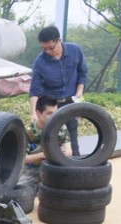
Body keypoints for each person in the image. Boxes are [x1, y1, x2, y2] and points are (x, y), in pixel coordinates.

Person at [29, 25, 88, 156]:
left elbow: (82, 73)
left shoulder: (75, 50)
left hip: (70, 101)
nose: (47, 51)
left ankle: (76, 165)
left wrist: (79, 94)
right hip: (51, 105)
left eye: (50, 47)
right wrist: (33, 112)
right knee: (52, 138)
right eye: (43, 49)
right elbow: (34, 89)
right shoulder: (39, 62)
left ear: (59, 40)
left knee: (72, 137)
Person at [19, 95, 72, 192]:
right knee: (20, 187)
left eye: (55, 113)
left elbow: (69, 151)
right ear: (38, 113)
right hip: (32, 168)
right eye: (49, 113)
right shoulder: (28, 132)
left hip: (53, 167)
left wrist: (61, 153)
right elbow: (23, 159)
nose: (53, 117)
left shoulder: (61, 128)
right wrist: (45, 154)